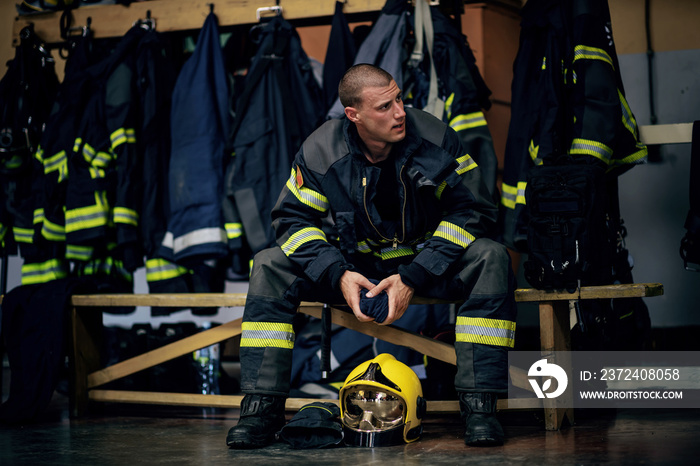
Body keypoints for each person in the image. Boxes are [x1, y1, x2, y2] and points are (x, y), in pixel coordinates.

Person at [226, 64, 517, 449]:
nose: (399, 112)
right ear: (354, 115)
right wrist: (337, 274)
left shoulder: (435, 137)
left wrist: (414, 276)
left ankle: (481, 408)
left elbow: (474, 211)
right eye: (384, 106)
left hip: (428, 262)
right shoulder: (320, 149)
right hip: (354, 269)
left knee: (491, 257)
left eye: (399, 99)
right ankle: (260, 410)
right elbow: (291, 220)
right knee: (269, 264)